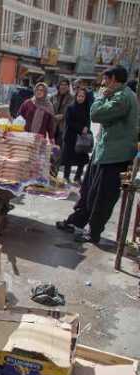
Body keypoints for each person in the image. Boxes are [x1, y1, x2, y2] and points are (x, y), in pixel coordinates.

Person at [57, 66, 138, 244]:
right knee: (88, 191)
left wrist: (101, 96)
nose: (102, 84)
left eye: (105, 80)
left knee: (102, 196)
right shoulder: (119, 95)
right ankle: (76, 221)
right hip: (103, 152)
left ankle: (93, 232)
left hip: (115, 156)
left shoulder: (122, 97)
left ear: (113, 79)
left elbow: (95, 114)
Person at [61, 88, 91, 184]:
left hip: (82, 138)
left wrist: (86, 127)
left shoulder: (87, 108)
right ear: (76, 96)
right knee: (68, 158)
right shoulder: (70, 107)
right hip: (71, 136)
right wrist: (80, 128)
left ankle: (78, 177)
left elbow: (88, 120)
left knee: (82, 158)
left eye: (82, 96)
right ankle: (66, 176)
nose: (80, 98)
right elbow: (69, 122)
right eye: (79, 96)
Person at [51, 78, 74, 146]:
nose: (63, 86)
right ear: (59, 86)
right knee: (51, 147)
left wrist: (64, 116)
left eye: (65, 85)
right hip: (53, 125)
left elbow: (73, 111)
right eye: (61, 84)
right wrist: (53, 115)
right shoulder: (53, 97)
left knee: (60, 148)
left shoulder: (72, 98)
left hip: (64, 126)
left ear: (68, 87)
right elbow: (49, 109)